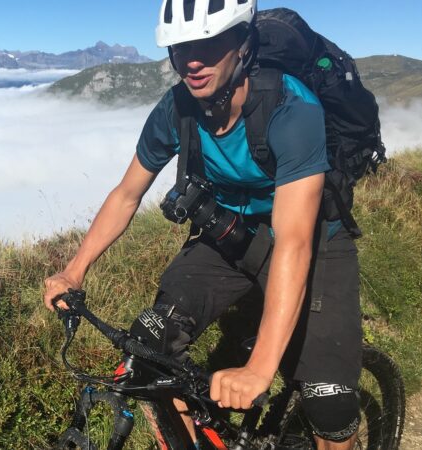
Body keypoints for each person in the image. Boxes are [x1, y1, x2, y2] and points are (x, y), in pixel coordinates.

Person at [42, 1, 363, 449]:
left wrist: (260, 368)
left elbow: (293, 243)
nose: (192, 60)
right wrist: (74, 269)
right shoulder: (176, 109)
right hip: (230, 233)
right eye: (180, 47)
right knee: (149, 348)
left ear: (243, 46)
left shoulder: (292, 109)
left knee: (329, 403)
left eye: (210, 44)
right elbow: (126, 194)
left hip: (314, 240)